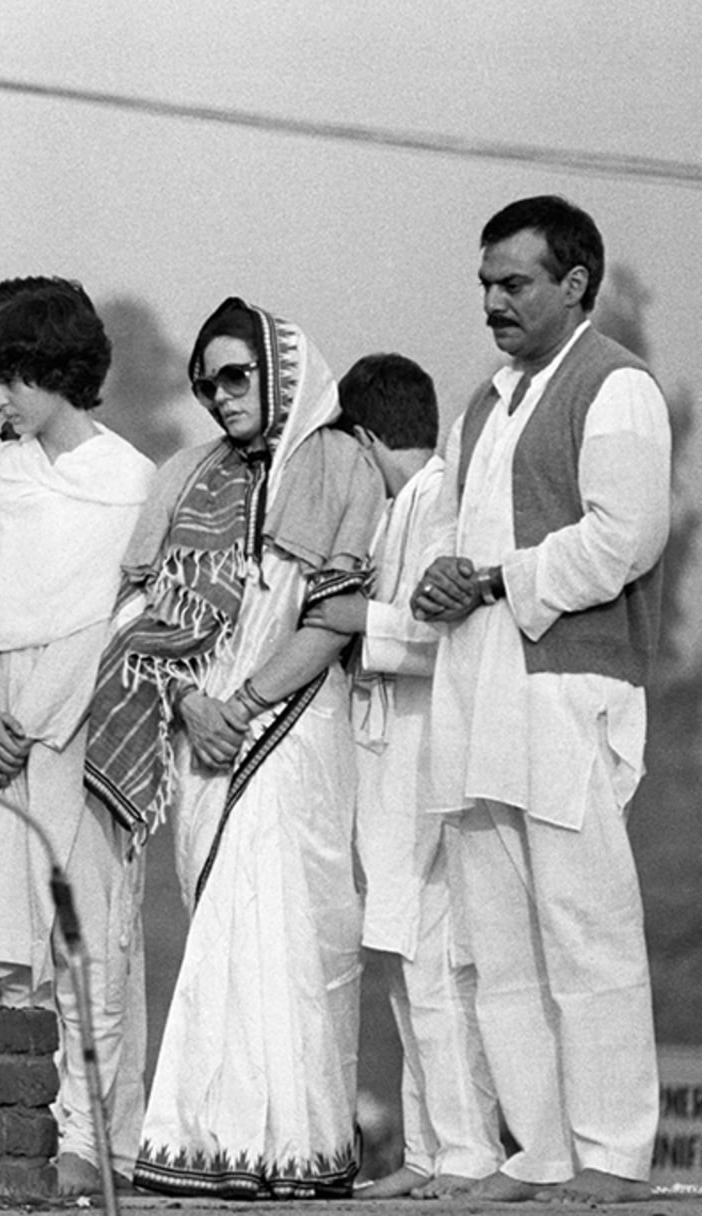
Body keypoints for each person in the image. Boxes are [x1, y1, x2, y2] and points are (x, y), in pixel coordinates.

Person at [84, 298, 384, 1198]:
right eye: (207, 381)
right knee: (219, 920)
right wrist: (188, 703)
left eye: (237, 376)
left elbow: (337, 615)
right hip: (201, 735)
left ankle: (293, 1149)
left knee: (287, 929)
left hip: (290, 729)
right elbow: (138, 611)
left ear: (282, 371)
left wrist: (243, 701)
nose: (220, 396)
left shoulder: (339, 464)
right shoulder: (184, 476)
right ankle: (210, 1146)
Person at [413, 195, 669, 1204]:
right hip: (478, 686)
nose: (493, 302)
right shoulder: (485, 401)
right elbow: (453, 525)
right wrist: (443, 573)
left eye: (513, 283)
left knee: (585, 927)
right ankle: (542, 1151)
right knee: (497, 938)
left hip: (566, 684)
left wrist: (496, 578)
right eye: (484, 284)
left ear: (575, 283)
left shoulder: (617, 387)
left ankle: (614, 1152)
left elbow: (626, 533)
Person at [0, 278, 154, 1192]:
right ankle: (7, 1122)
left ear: (52, 370)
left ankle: (93, 1142)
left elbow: (122, 619)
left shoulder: (130, 481)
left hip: (81, 732)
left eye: (9, 380)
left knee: (85, 937)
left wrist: (43, 716)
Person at [303, 353, 502, 1198]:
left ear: (366, 436)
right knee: (404, 959)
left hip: (426, 753)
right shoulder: (402, 507)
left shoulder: (442, 500)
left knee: (432, 962)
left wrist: (353, 619)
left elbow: (438, 637)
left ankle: (463, 1153)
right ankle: (428, 1153)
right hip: (386, 761)